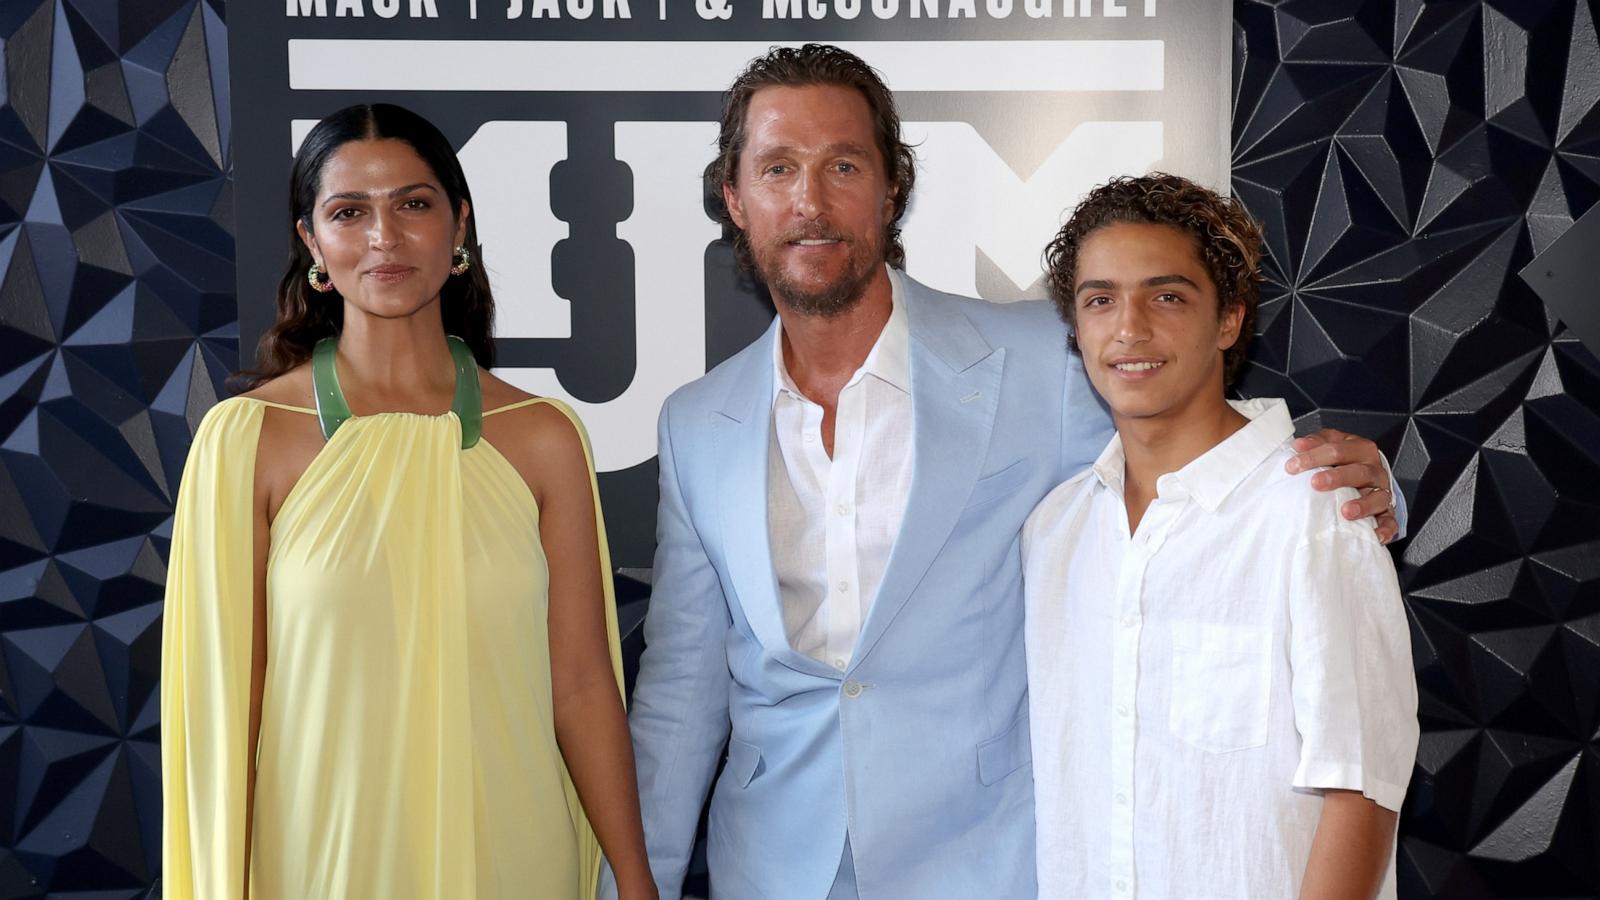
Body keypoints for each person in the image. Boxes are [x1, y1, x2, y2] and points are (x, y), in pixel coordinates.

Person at [615, 45, 1407, 900]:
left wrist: (1358, 491)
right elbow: (679, 702)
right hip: (771, 869)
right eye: (777, 168)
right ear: (734, 199)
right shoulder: (697, 426)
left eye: (843, 164)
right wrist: (635, 884)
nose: (810, 201)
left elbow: (1180, 447)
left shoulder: (1041, 358)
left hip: (988, 863)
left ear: (892, 190)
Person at [160, 103, 656, 900]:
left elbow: (583, 685)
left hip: (515, 854)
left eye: (413, 204)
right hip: (321, 862)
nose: (384, 238)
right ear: (311, 242)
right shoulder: (246, 440)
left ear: (459, 226)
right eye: (349, 212)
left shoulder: (543, 437)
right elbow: (226, 715)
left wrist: (635, 879)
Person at [1023, 173, 1419, 899]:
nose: (1130, 327)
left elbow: (1364, 786)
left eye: (1167, 295)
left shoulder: (1313, 511)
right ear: (1076, 329)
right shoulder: (1056, 532)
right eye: (1100, 299)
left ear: (1230, 319)